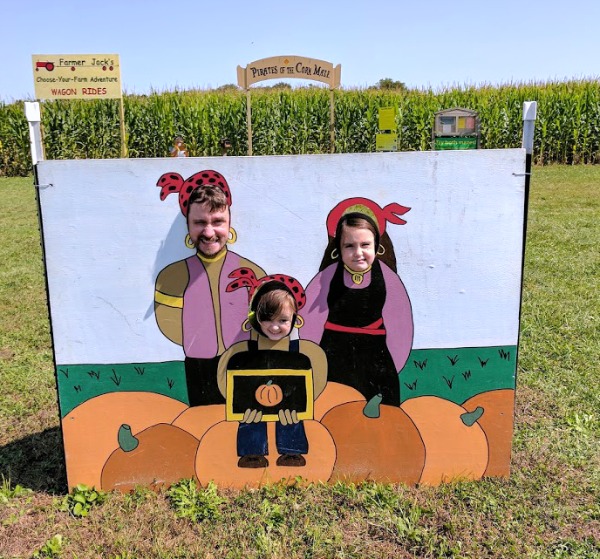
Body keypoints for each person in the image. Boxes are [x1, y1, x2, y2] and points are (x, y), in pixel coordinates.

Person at [154, 170, 265, 406]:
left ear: (230, 224)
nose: (208, 232)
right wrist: (199, 338)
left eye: (217, 222)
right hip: (199, 364)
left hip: (245, 361)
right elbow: (167, 321)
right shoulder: (172, 276)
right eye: (200, 223)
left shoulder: (252, 272)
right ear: (188, 225)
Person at [300, 197, 413, 408]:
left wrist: (391, 368)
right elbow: (309, 323)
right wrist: (314, 362)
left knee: (381, 417)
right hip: (334, 358)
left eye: (365, 245)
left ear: (377, 246)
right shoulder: (327, 277)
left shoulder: (388, 278)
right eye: (349, 246)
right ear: (339, 249)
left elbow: (401, 327)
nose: (358, 253)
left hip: (376, 361)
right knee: (336, 411)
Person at [217, 271, 328, 468]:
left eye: (283, 320)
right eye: (267, 319)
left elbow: (316, 378)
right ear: (255, 318)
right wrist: (238, 403)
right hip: (252, 405)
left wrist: (304, 401)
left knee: (291, 418)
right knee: (251, 418)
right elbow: (225, 376)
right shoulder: (241, 352)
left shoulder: (305, 351)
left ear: (295, 319)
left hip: (290, 403)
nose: (274, 327)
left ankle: (291, 452)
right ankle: (251, 454)